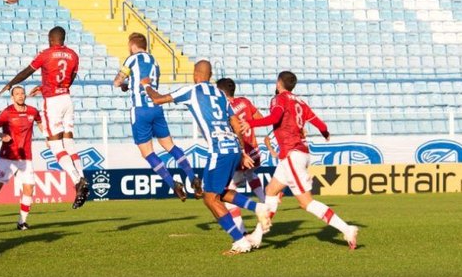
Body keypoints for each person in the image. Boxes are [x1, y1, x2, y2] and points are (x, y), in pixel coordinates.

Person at [144, 60, 272, 255]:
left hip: (218, 150)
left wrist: (146, 85)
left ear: (196, 74)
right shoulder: (220, 94)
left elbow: (158, 100)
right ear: (210, 75)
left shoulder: (192, 90)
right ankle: (257, 208)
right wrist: (242, 151)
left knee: (210, 199)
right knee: (217, 193)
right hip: (232, 147)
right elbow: (237, 125)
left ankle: (240, 241)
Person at [247, 71, 358, 250]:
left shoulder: (279, 99)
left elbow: (274, 118)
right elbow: (318, 122)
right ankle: (258, 234)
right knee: (271, 190)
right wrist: (325, 132)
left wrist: (250, 123)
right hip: (294, 155)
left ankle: (347, 228)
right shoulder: (300, 101)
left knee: (306, 202)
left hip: (293, 154)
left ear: (278, 83)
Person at [0, 26, 88, 209]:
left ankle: (77, 180)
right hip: (67, 99)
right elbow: (71, 77)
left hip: (53, 102)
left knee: (55, 144)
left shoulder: (45, 54)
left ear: (50, 39)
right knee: (69, 141)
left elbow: (27, 71)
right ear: (63, 38)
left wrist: (11, 83)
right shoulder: (73, 55)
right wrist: (47, 85)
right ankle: (82, 176)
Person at [113, 32, 201, 202]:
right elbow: (148, 83)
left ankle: (172, 183)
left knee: (147, 152)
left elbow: (117, 81)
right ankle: (192, 177)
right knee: (169, 145)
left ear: (132, 46)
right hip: (156, 107)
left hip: (140, 110)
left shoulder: (131, 59)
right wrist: (131, 85)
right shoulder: (155, 62)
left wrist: (124, 85)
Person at [0, 85, 42, 230]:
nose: (20, 96)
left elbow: (40, 122)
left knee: (29, 188)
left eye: (22, 93)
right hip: (7, 157)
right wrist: (2, 135)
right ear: (12, 97)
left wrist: (47, 136)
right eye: (17, 94)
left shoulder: (33, 111)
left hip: (25, 157)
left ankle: (22, 222)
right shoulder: (7, 112)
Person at [216, 77, 265, 234]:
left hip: (241, 154)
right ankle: (265, 201)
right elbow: (261, 119)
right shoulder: (245, 101)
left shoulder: (224, 108)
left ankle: (241, 230)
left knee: (228, 192)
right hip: (255, 150)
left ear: (221, 92)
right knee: (251, 174)